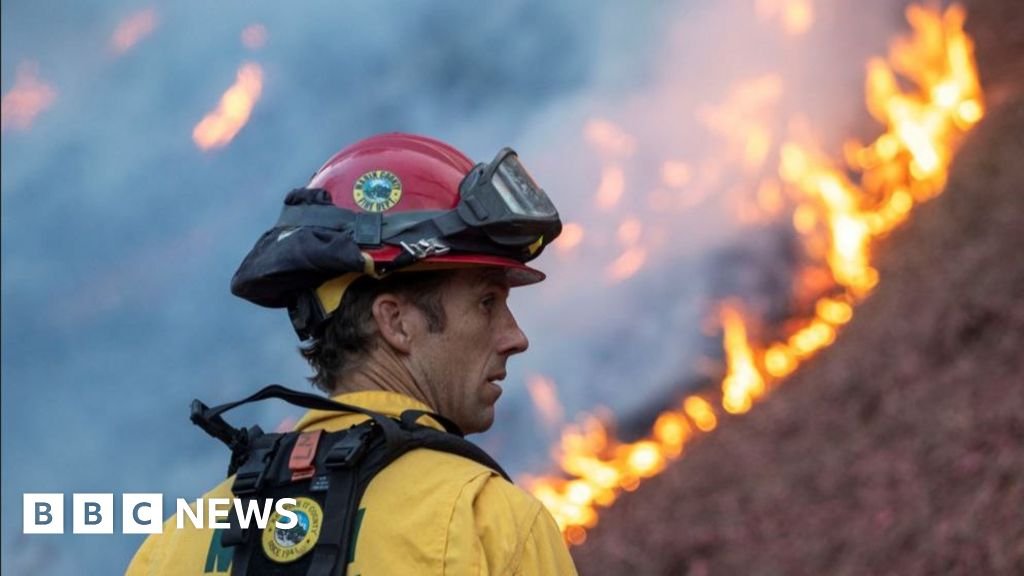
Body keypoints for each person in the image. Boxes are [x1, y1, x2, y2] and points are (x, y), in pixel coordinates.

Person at [126, 133, 578, 575]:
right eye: (486, 303)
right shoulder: (492, 528)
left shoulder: (170, 549)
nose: (515, 337)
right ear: (395, 322)